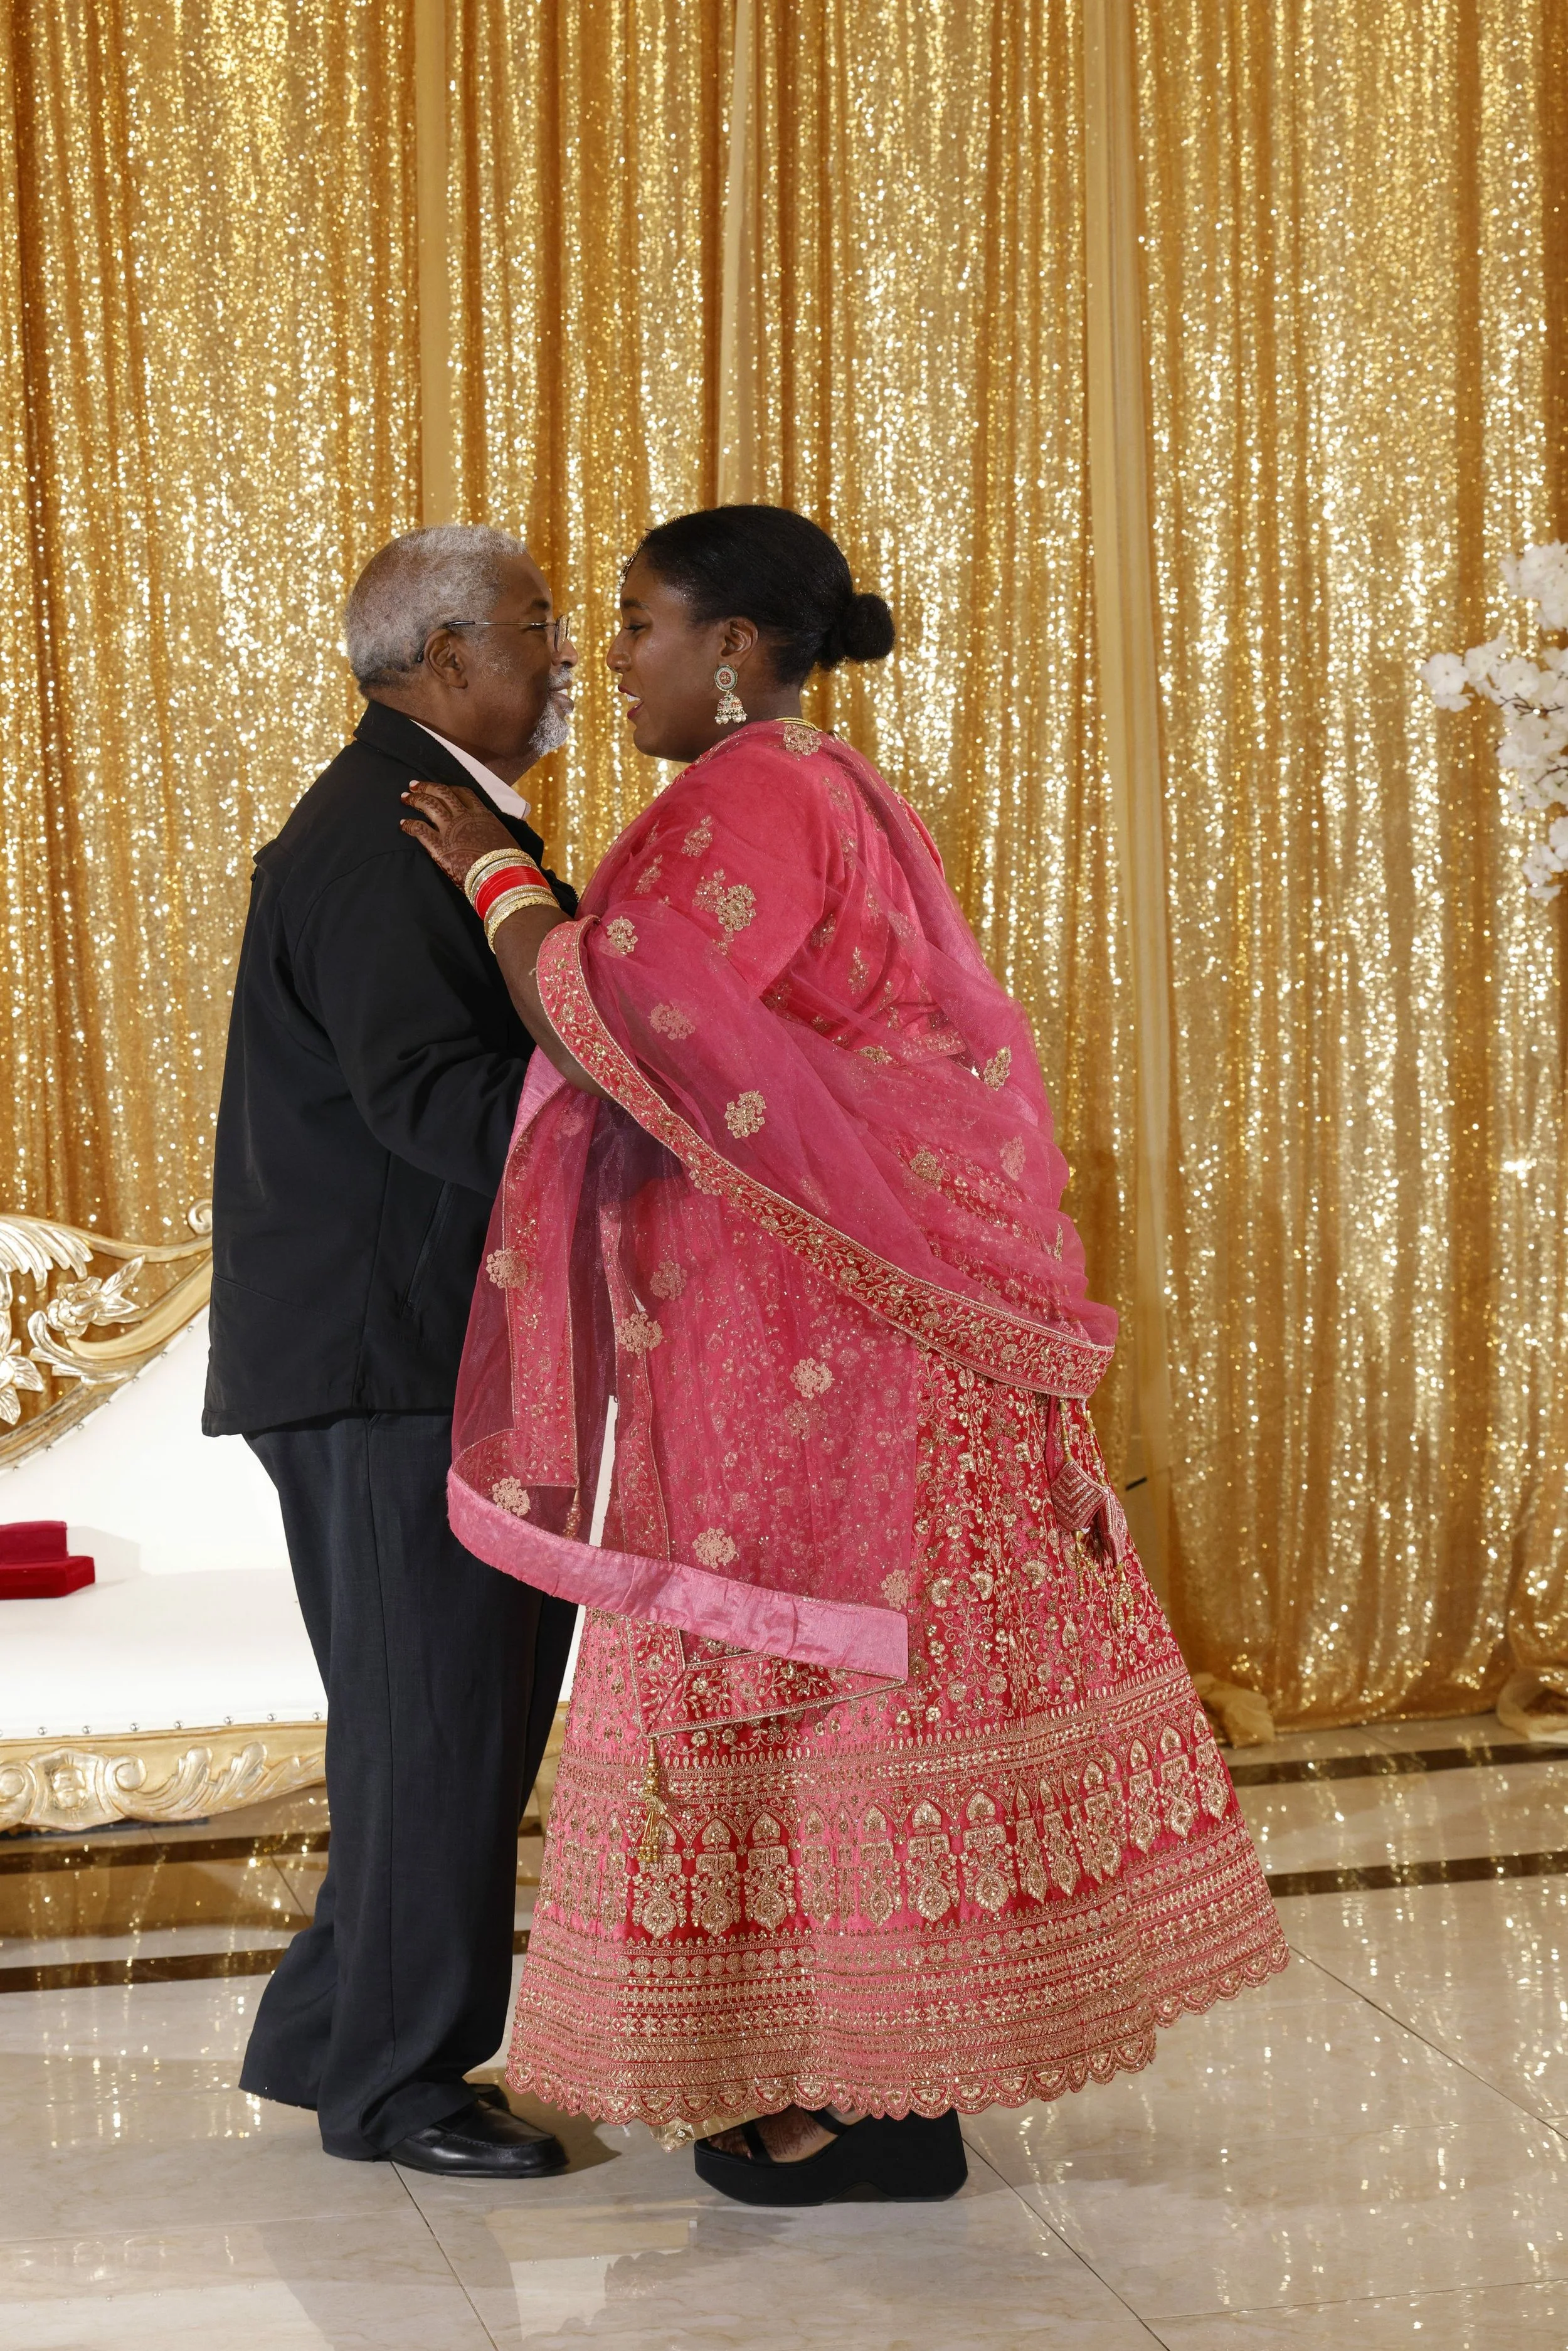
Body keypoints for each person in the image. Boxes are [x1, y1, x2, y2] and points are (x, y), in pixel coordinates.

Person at [398, 503, 1288, 2205]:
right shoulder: (834, 787)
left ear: (732, 647)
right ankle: (874, 2089)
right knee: (862, 1694)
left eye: (641, 621)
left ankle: (849, 2107)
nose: (618, 658)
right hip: (864, 1326)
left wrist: (500, 881)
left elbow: (625, 1021)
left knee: (810, 1694)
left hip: (817, 1350)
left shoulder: (750, 795)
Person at [204, 525, 580, 2178]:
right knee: (437, 1725)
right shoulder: (381, 836)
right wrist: (649, 1114)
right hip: (393, 1359)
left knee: (437, 1719)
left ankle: (320, 2035)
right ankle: (398, 2088)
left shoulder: (425, 814)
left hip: (410, 1347)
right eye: (533, 629)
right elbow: (428, 1097)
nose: (559, 655)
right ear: (439, 661)